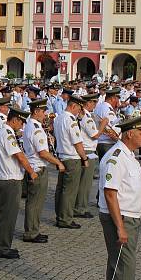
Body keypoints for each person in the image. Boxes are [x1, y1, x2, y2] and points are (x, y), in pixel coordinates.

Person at [98, 115, 141, 280]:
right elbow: (110, 193)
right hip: (121, 218)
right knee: (122, 265)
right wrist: (120, 227)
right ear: (129, 134)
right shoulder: (115, 157)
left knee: (125, 265)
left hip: (130, 216)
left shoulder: (128, 155)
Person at [0, 107, 37, 259]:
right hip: (10, 179)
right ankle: (2, 247)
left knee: (6, 214)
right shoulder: (7, 134)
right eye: (21, 122)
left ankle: (3, 245)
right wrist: (31, 171)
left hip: (6, 178)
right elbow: (19, 156)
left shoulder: (4, 132)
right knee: (8, 216)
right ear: (15, 119)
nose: (22, 126)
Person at [22, 99, 65, 243]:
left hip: (35, 165)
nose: (45, 114)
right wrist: (58, 162)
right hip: (37, 167)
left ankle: (33, 230)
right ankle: (31, 232)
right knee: (35, 202)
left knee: (35, 202)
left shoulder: (30, 125)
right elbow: (43, 153)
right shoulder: (36, 128)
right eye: (43, 111)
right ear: (36, 111)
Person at [53, 94, 88, 229]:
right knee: (70, 191)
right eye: (78, 108)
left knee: (61, 189)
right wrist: (84, 158)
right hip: (72, 158)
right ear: (73, 106)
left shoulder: (58, 118)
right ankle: (65, 219)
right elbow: (77, 142)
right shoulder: (71, 120)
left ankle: (60, 215)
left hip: (62, 156)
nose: (79, 112)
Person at [76, 93, 101, 218]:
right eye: (93, 102)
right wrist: (103, 125)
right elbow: (95, 135)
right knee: (85, 182)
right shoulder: (87, 117)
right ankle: (80, 208)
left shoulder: (85, 115)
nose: (95, 105)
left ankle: (79, 206)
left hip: (85, 150)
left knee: (83, 181)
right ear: (88, 103)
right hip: (87, 151)